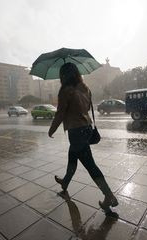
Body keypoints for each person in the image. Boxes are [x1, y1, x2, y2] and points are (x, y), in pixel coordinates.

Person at [48, 62, 118, 210]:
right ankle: (65, 182)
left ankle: (109, 195)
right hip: (86, 128)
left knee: (90, 165)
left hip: (76, 131)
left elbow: (60, 113)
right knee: (72, 156)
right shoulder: (85, 88)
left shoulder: (65, 90)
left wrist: (52, 129)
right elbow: (85, 109)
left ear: (63, 75)